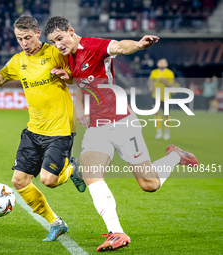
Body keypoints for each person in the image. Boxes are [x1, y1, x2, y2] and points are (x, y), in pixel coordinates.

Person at [45, 16, 198, 252]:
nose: (58, 45)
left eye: (60, 38)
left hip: (122, 122)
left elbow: (119, 46)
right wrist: (78, 108)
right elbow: (81, 84)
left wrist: (138, 45)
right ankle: (117, 233)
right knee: (91, 173)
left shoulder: (94, 46)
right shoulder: (68, 57)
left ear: (71, 31)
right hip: (96, 127)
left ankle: (176, 156)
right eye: (54, 42)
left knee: (150, 184)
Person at [0, 16, 86, 242]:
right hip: (33, 131)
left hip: (60, 130)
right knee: (19, 181)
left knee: (49, 180)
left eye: (27, 38)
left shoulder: (55, 53)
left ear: (38, 34)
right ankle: (56, 223)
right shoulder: (17, 61)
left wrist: (69, 76)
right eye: (19, 39)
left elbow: (77, 76)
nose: (24, 42)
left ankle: (72, 167)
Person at [149, 59, 175, 140]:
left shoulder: (169, 73)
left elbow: (171, 85)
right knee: (156, 113)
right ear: (157, 63)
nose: (162, 63)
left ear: (166, 64)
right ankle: (159, 131)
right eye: (160, 62)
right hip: (156, 96)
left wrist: (163, 81)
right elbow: (151, 80)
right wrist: (150, 87)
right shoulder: (154, 72)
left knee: (166, 115)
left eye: (163, 62)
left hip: (166, 96)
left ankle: (167, 131)